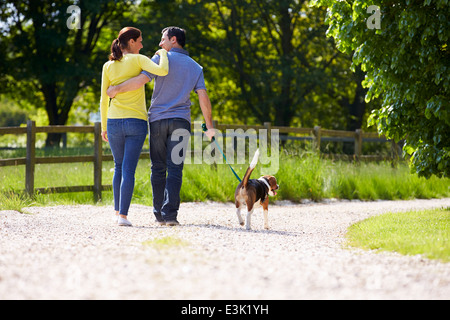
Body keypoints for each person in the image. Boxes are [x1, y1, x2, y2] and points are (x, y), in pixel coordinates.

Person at [107, 26, 215, 226]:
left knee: (158, 167)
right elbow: (203, 97)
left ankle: (158, 214)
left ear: (173, 40)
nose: (159, 43)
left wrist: (115, 90)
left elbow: (140, 81)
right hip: (181, 122)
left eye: (162, 39)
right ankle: (170, 215)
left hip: (157, 121)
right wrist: (209, 127)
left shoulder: (159, 58)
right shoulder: (195, 67)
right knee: (175, 169)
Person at [100, 27, 169, 226]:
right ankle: (123, 216)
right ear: (131, 42)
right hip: (136, 122)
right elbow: (163, 70)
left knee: (118, 167)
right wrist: (163, 53)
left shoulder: (108, 66)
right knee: (128, 169)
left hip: (113, 121)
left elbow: (104, 99)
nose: (141, 44)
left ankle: (116, 213)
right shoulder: (139, 59)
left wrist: (104, 126)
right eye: (139, 40)